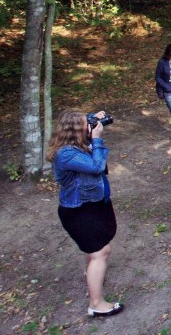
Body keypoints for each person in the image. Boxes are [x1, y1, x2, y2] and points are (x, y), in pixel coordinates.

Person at [48, 110, 124, 318]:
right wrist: (97, 139)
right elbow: (97, 166)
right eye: (85, 123)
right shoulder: (66, 153)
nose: (89, 126)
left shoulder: (77, 146)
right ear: (74, 130)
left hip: (92, 205)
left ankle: (92, 275)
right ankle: (96, 303)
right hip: (79, 211)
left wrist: (93, 117)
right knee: (101, 252)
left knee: (94, 250)